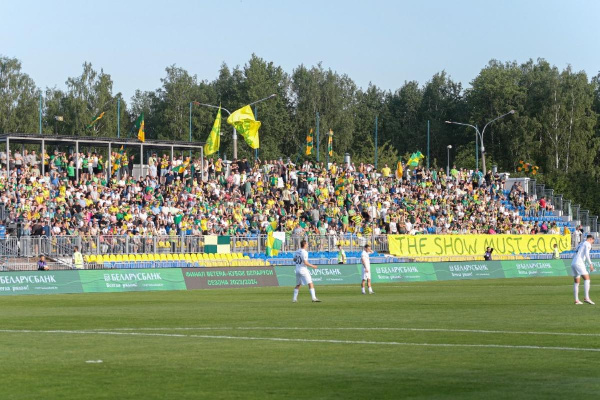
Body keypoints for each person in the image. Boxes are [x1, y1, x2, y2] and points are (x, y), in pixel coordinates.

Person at [571, 234, 595, 305]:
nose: (592, 243)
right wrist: (590, 264)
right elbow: (587, 254)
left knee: (576, 282)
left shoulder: (581, 243)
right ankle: (587, 298)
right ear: (590, 239)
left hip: (573, 262)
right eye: (592, 242)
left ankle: (576, 300)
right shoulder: (587, 244)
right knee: (587, 279)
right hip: (579, 263)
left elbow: (576, 251)